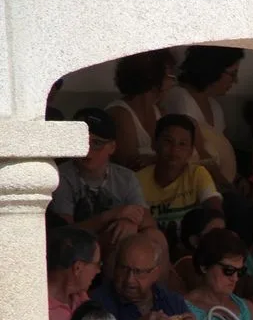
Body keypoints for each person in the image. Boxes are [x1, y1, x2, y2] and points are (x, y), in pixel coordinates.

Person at [50, 108, 153, 243]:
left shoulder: (126, 177)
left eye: (96, 143)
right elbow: (65, 233)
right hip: (78, 249)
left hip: (116, 246)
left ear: (112, 147)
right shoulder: (60, 176)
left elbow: (148, 222)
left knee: (153, 236)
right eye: (81, 141)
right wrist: (111, 215)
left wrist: (129, 221)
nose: (87, 150)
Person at [161, 46, 244, 187]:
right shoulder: (179, 98)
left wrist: (237, 178)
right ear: (213, 70)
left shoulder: (215, 107)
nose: (235, 80)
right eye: (232, 74)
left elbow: (223, 151)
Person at [137, 115, 223, 233]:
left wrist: (215, 222)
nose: (174, 150)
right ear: (154, 144)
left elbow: (214, 209)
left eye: (182, 144)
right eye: (168, 141)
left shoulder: (197, 174)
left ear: (191, 151)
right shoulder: (138, 180)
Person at [106, 49, 177, 171]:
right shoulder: (120, 114)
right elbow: (128, 166)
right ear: (153, 78)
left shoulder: (160, 112)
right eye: (170, 76)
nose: (173, 82)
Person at [47, 227, 102, 320]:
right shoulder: (38, 310)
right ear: (78, 267)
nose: (98, 271)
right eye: (96, 264)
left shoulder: (81, 298)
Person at [170, 208, 227, 293]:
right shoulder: (189, 264)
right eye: (216, 234)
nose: (225, 238)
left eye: (224, 233)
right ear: (194, 240)